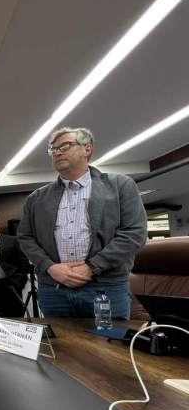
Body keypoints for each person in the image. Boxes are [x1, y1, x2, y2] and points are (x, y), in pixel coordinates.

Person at [18, 127, 146, 319]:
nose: (57, 152)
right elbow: (25, 237)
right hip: (54, 289)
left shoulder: (120, 186)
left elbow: (134, 233)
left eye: (65, 146)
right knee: (61, 347)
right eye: (53, 150)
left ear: (87, 149)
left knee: (108, 346)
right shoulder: (37, 198)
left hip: (105, 287)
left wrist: (91, 267)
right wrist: (50, 267)